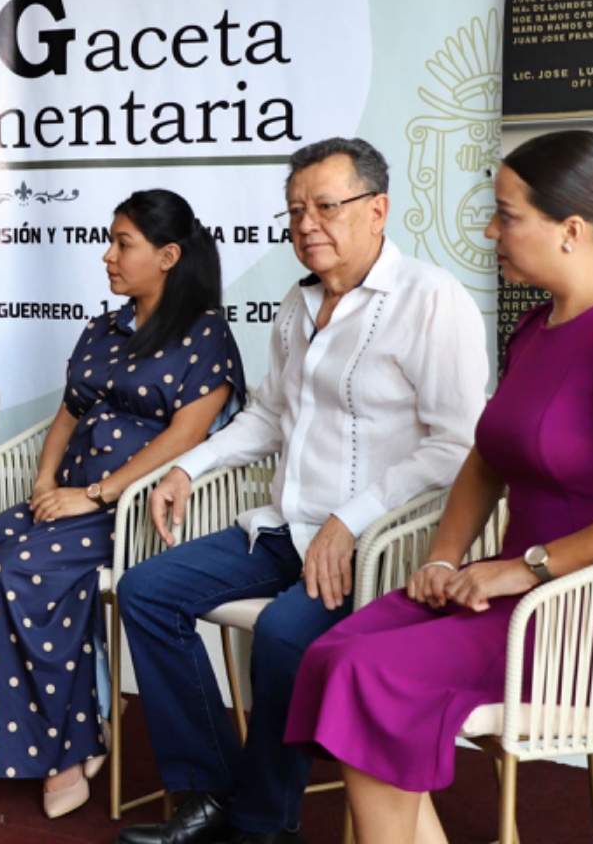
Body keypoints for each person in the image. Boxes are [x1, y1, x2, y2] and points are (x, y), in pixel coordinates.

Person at [284, 129, 593, 844]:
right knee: (334, 653)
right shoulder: (537, 328)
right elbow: (485, 458)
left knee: (367, 672)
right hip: (504, 595)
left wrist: (527, 567)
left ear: (570, 230)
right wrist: (445, 557)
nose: (490, 231)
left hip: (590, 614)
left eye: (507, 215)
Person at [116, 139, 488, 844]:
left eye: (325, 206)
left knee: (285, 636)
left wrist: (351, 521)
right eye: (295, 211)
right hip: (287, 526)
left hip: (377, 544)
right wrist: (186, 468)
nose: (306, 224)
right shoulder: (298, 300)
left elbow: (457, 444)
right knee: (146, 590)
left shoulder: (431, 301)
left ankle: (263, 825)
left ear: (377, 210)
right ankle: (212, 791)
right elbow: (267, 416)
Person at [0, 190, 247, 819]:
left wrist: (97, 494)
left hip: (138, 508)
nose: (107, 256)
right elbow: (69, 412)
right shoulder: (103, 328)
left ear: (167, 256)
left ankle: (68, 747)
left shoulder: (205, 332)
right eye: (109, 241)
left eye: (122, 244)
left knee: (20, 570)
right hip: (74, 496)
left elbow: (186, 435)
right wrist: (46, 482)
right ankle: (92, 704)